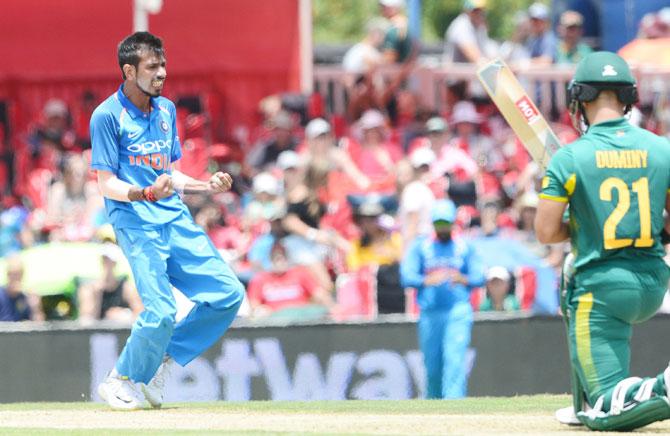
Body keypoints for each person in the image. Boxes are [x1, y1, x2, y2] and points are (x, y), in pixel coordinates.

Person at [89, 32, 244, 410]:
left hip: (173, 216)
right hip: (135, 221)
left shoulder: (166, 111)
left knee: (228, 294)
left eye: (163, 65)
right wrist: (144, 194)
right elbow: (105, 183)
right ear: (129, 70)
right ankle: (121, 378)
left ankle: (161, 362)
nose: (161, 73)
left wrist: (206, 185)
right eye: (152, 67)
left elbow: (168, 175)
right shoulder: (107, 115)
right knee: (160, 311)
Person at [535, 51, 670, 430]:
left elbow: (546, 232)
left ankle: (656, 388)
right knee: (602, 401)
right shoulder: (663, 149)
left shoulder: (570, 158)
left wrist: (580, 226)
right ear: (629, 98)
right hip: (654, 282)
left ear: (579, 98)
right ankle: (586, 404)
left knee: (607, 415)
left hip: (603, 288)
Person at [400, 199, 485, 399]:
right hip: (430, 313)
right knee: (432, 366)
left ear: (453, 222)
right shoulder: (421, 247)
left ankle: (454, 407)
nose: (442, 228)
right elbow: (406, 276)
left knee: (454, 361)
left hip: (457, 311)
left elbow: (480, 276)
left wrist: (462, 278)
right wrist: (426, 280)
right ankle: (434, 407)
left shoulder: (464, 247)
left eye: (445, 223)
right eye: (438, 223)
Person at [77, 243, 143, 324]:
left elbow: (140, 314)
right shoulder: (89, 289)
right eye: (104, 260)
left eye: (109, 260)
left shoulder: (127, 288)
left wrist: (124, 314)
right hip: (96, 334)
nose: (107, 263)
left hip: (121, 333)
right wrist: (97, 296)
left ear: (115, 263)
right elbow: (85, 319)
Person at [443, 0, 494, 64]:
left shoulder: (480, 27)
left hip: (470, 72)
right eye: (475, 10)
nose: (479, 13)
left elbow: (490, 52)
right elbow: (476, 58)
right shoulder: (461, 26)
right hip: (453, 73)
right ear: (467, 11)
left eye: (481, 10)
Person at [0, 255, 43, 322]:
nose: (14, 278)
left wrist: (35, 308)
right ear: (7, 274)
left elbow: (39, 324)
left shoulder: (26, 296)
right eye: (11, 274)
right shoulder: (1, 294)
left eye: (18, 274)